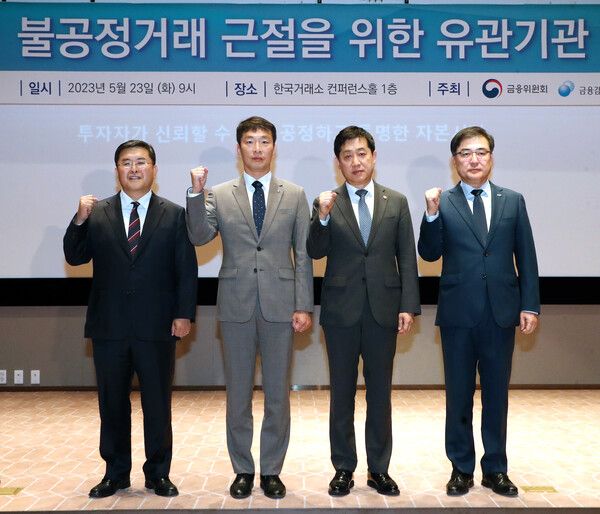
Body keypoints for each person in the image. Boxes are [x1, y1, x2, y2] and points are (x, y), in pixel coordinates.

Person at [186, 116, 313, 500]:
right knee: (238, 395)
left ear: (274, 147)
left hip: (281, 305)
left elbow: (303, 254)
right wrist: (196, 194)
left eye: (264, 141)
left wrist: (303, 304)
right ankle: (242, 469)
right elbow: (199, 236)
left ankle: (272, 470)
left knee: (277, 395)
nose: (257, 148)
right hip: (236, 305)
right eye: (250, 141)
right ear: (239, 148)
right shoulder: (219, 194)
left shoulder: (295, 194)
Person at [63, 140, 198, 498]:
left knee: (157, 403)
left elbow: (186, 269)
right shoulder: (97, 212)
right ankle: (115, 473)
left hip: (157, 326)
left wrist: (184, 314)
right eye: (126, 163)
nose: (134, 169)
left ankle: (158, 473)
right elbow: (74, 256)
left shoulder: (174, 214)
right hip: (109, 326)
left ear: (154, 169)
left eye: (141, 162)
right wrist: (79, 219)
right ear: (117, 170)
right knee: (111, 404)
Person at [418, 126, 539, 498]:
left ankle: (496, 469)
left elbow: (527, 257)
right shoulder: (443, 201)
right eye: (466, 153)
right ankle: (461, 468)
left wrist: (529, 304)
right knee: (458, 395)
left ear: (491, 157)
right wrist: (431, 215)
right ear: (455, 160)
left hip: (501, 313)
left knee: (496, 396)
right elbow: (429, 254)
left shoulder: (512, 200)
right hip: (458, 314)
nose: (474, 159)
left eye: (481, 152)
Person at [307, 126, 421, 497]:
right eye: (347, 156)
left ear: (373, 156)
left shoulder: (396, 201)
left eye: (362, 153)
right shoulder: (326, 201)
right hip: (341, 312)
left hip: (383, 310)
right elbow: (314, 250)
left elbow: (406, 256)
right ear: (338, 162)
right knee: (341, 394)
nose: (356, 161)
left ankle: (378, 469)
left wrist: (408, 305)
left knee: (380, 394)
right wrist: (322, 217)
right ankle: (343, 468)